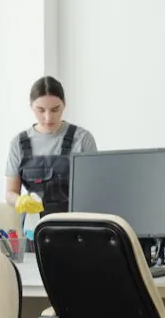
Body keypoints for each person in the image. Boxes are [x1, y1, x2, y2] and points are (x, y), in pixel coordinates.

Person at [5, 75, 98, 216]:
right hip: (34, 223)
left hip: (74, 222)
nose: (48, 118)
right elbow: (10, 193)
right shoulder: (18, 143)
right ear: (31, 106)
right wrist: (18, 200)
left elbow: (93, 189)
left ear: (64, 104)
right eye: (41, 110)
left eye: (55, 109)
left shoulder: (83, 139)